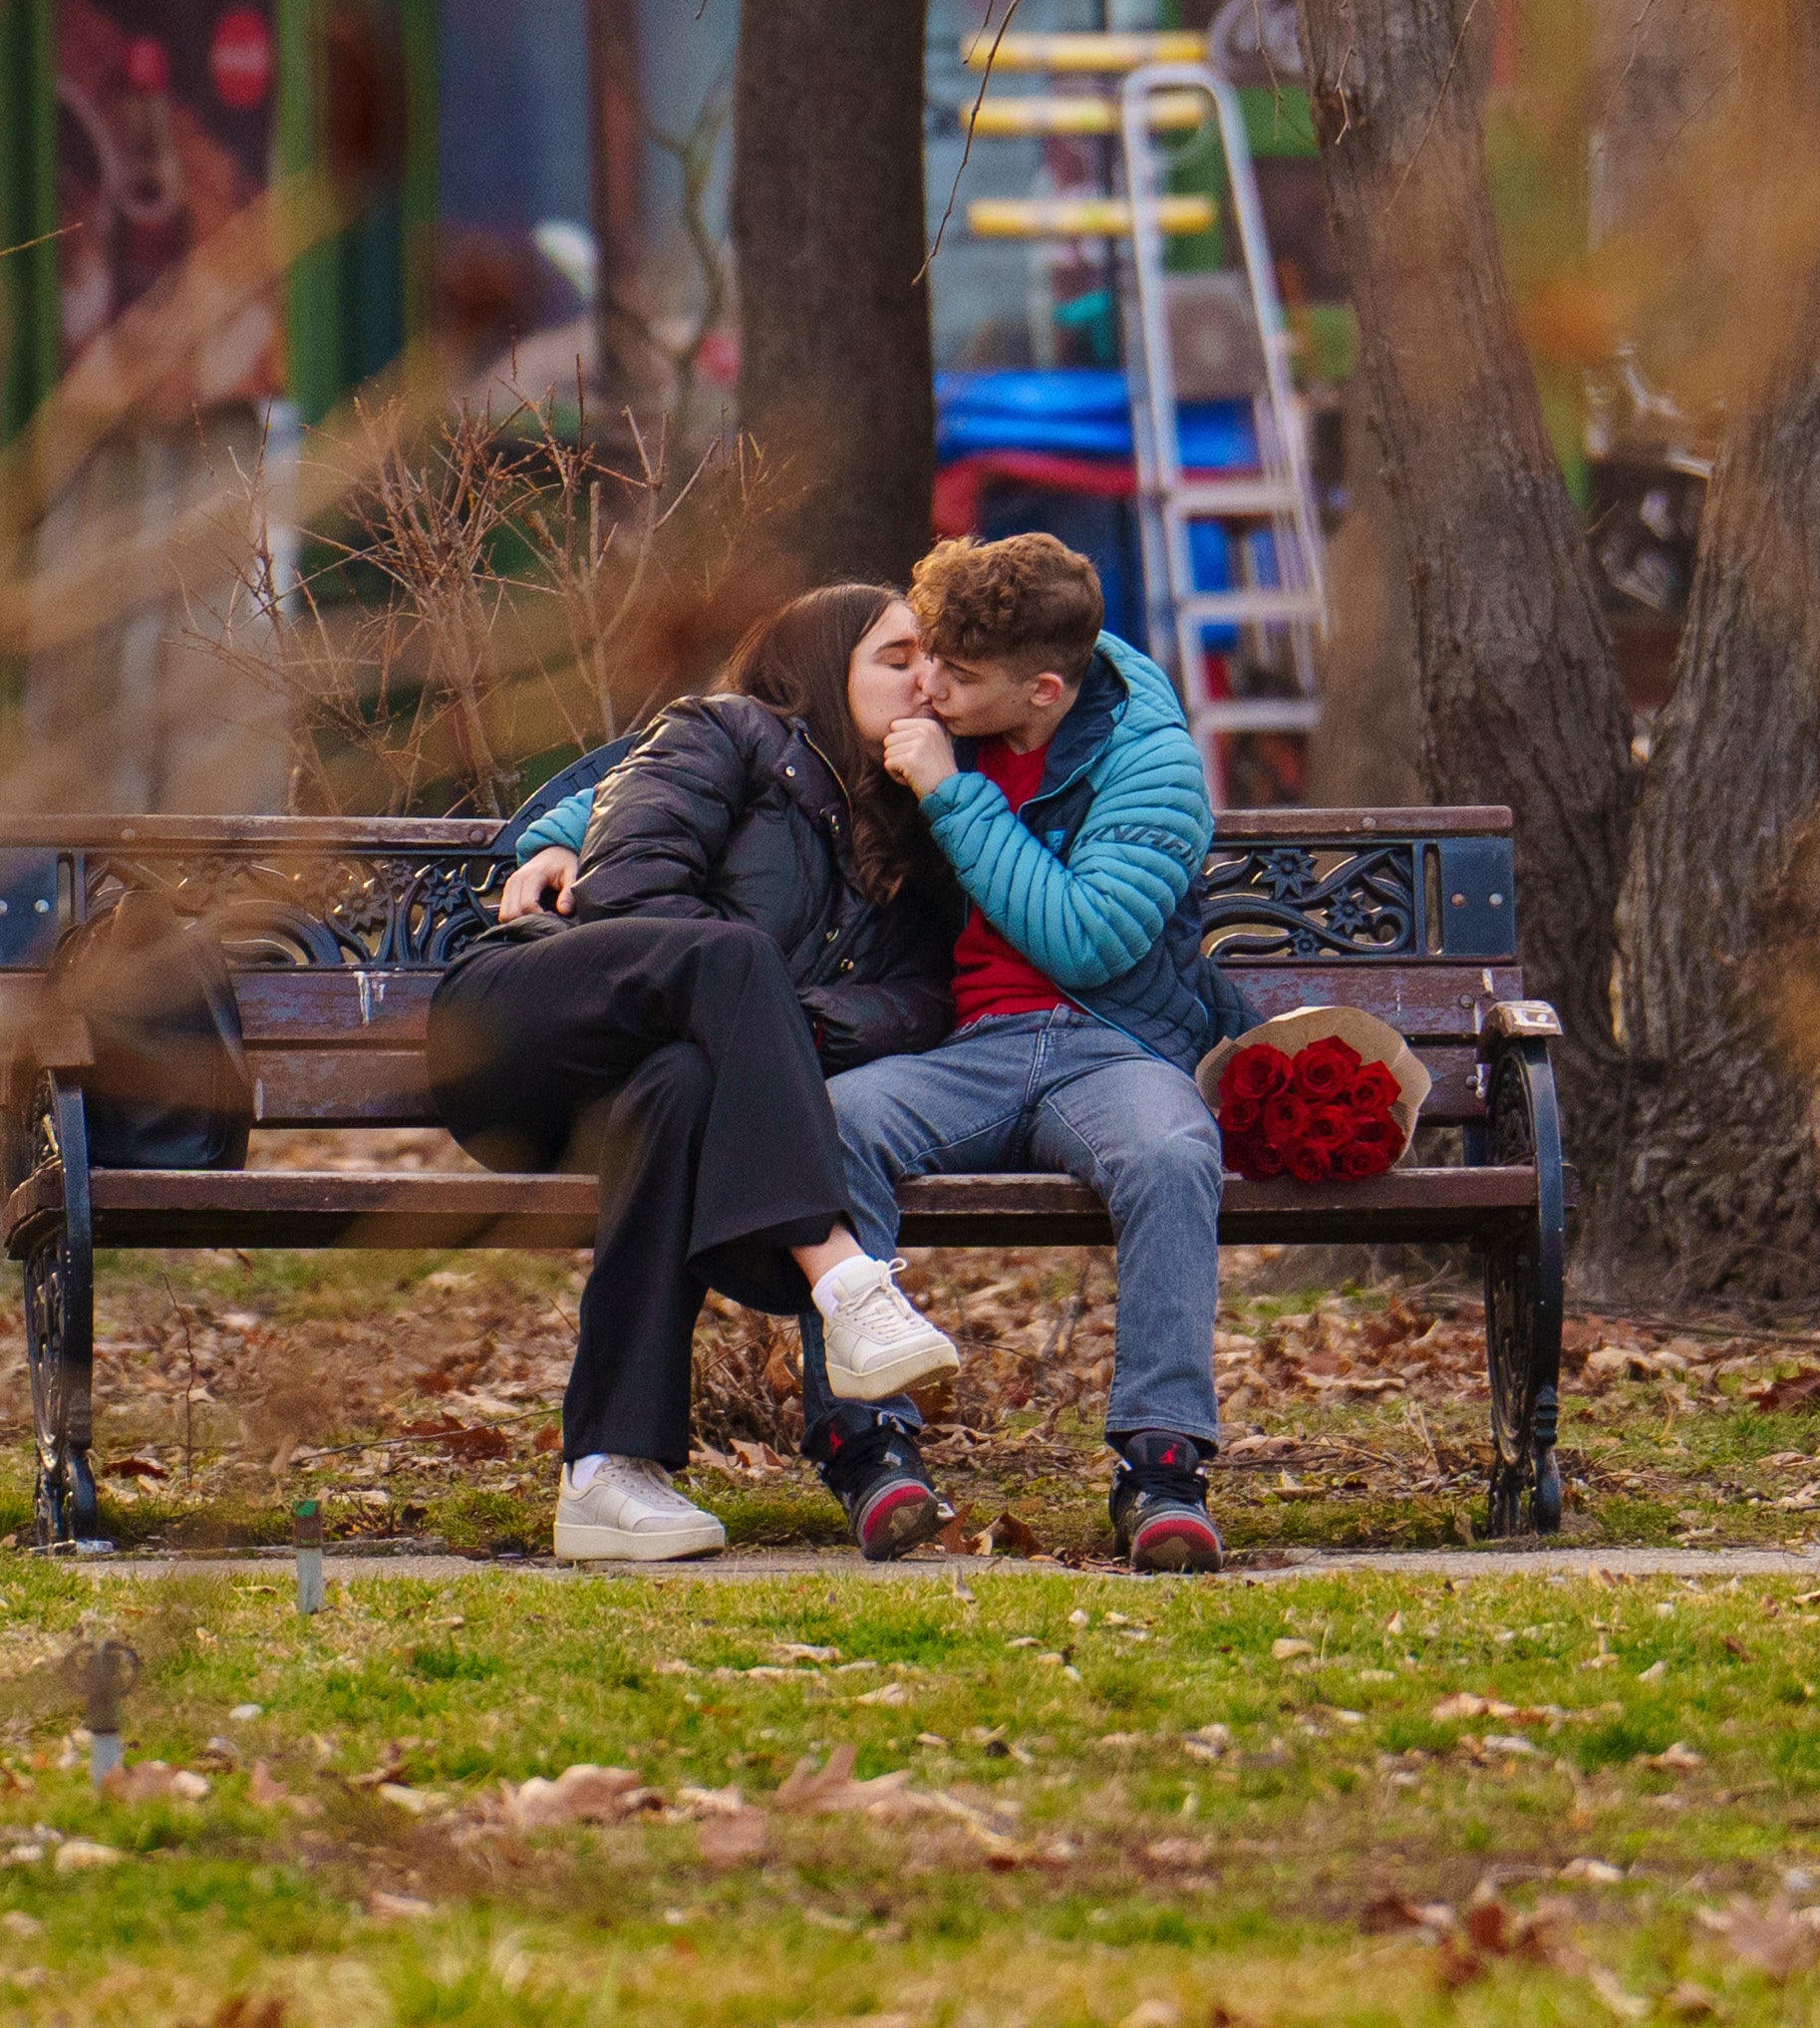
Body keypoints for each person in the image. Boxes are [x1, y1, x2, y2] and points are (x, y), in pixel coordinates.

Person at [436, 584, 968, 1565]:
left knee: (682, 1088)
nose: (923, 682)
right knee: (732, 964)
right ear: (820, 665)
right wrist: (753, 1009)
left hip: (639, 1086)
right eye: (895, 658)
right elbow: (628, 886)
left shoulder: (912, 842)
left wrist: (757, 1032)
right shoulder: (724, 732)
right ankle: (846, 1283)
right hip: (524, 1022)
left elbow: (919, 1005)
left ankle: (606, 1470)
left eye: (933, 665)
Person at [819, 533, 1254, 1572]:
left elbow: (1082, 937)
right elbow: (738, 736)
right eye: (922, 654)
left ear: (1044, 690)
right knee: (829, 1124)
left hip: (1110, 1049)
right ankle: (873, 1454)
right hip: (968, 1049)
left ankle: (1160, 1470)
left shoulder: (1150, 760)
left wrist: (950, 794)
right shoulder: (948, 714)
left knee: (1170, 1152)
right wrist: (558, 834)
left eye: (956, 675)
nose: (925, 684)